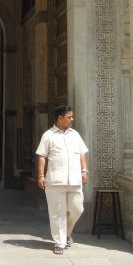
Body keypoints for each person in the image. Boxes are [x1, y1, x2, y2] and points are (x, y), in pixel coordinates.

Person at [36, 105, 88, 254]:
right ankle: (59, 242)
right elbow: (42, 156)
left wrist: (84, 170)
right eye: (69, 117)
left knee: (77, 209)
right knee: (58, 212)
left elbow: (82, 153)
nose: (72, 119)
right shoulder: (48, 135)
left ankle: (66, 233)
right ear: (60, 118)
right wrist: (40, 176)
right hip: (55, 181)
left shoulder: (75, 135)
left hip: (75, 180)